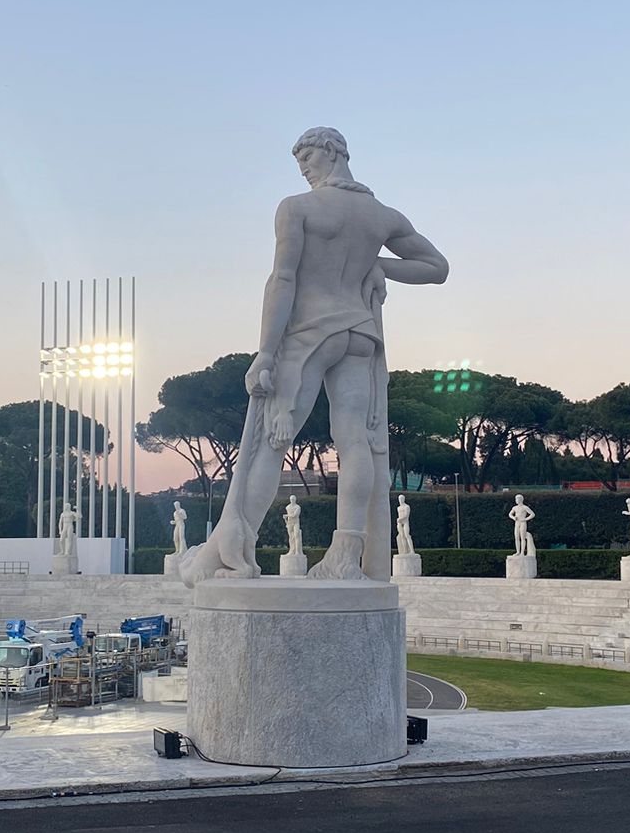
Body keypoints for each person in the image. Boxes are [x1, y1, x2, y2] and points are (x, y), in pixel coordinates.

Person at [182, 128, 448, 583]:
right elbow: (436, 268)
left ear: (332, 151)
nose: (302, 168)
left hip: (310, 335)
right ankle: (346, 555)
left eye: (306, 157)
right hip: (359, 334)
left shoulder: (297, 208)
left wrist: (266, 352)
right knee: (354, 441)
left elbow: (283, 279)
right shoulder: (382, 216)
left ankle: (233, 555)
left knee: (271, 442)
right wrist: (377, 264)